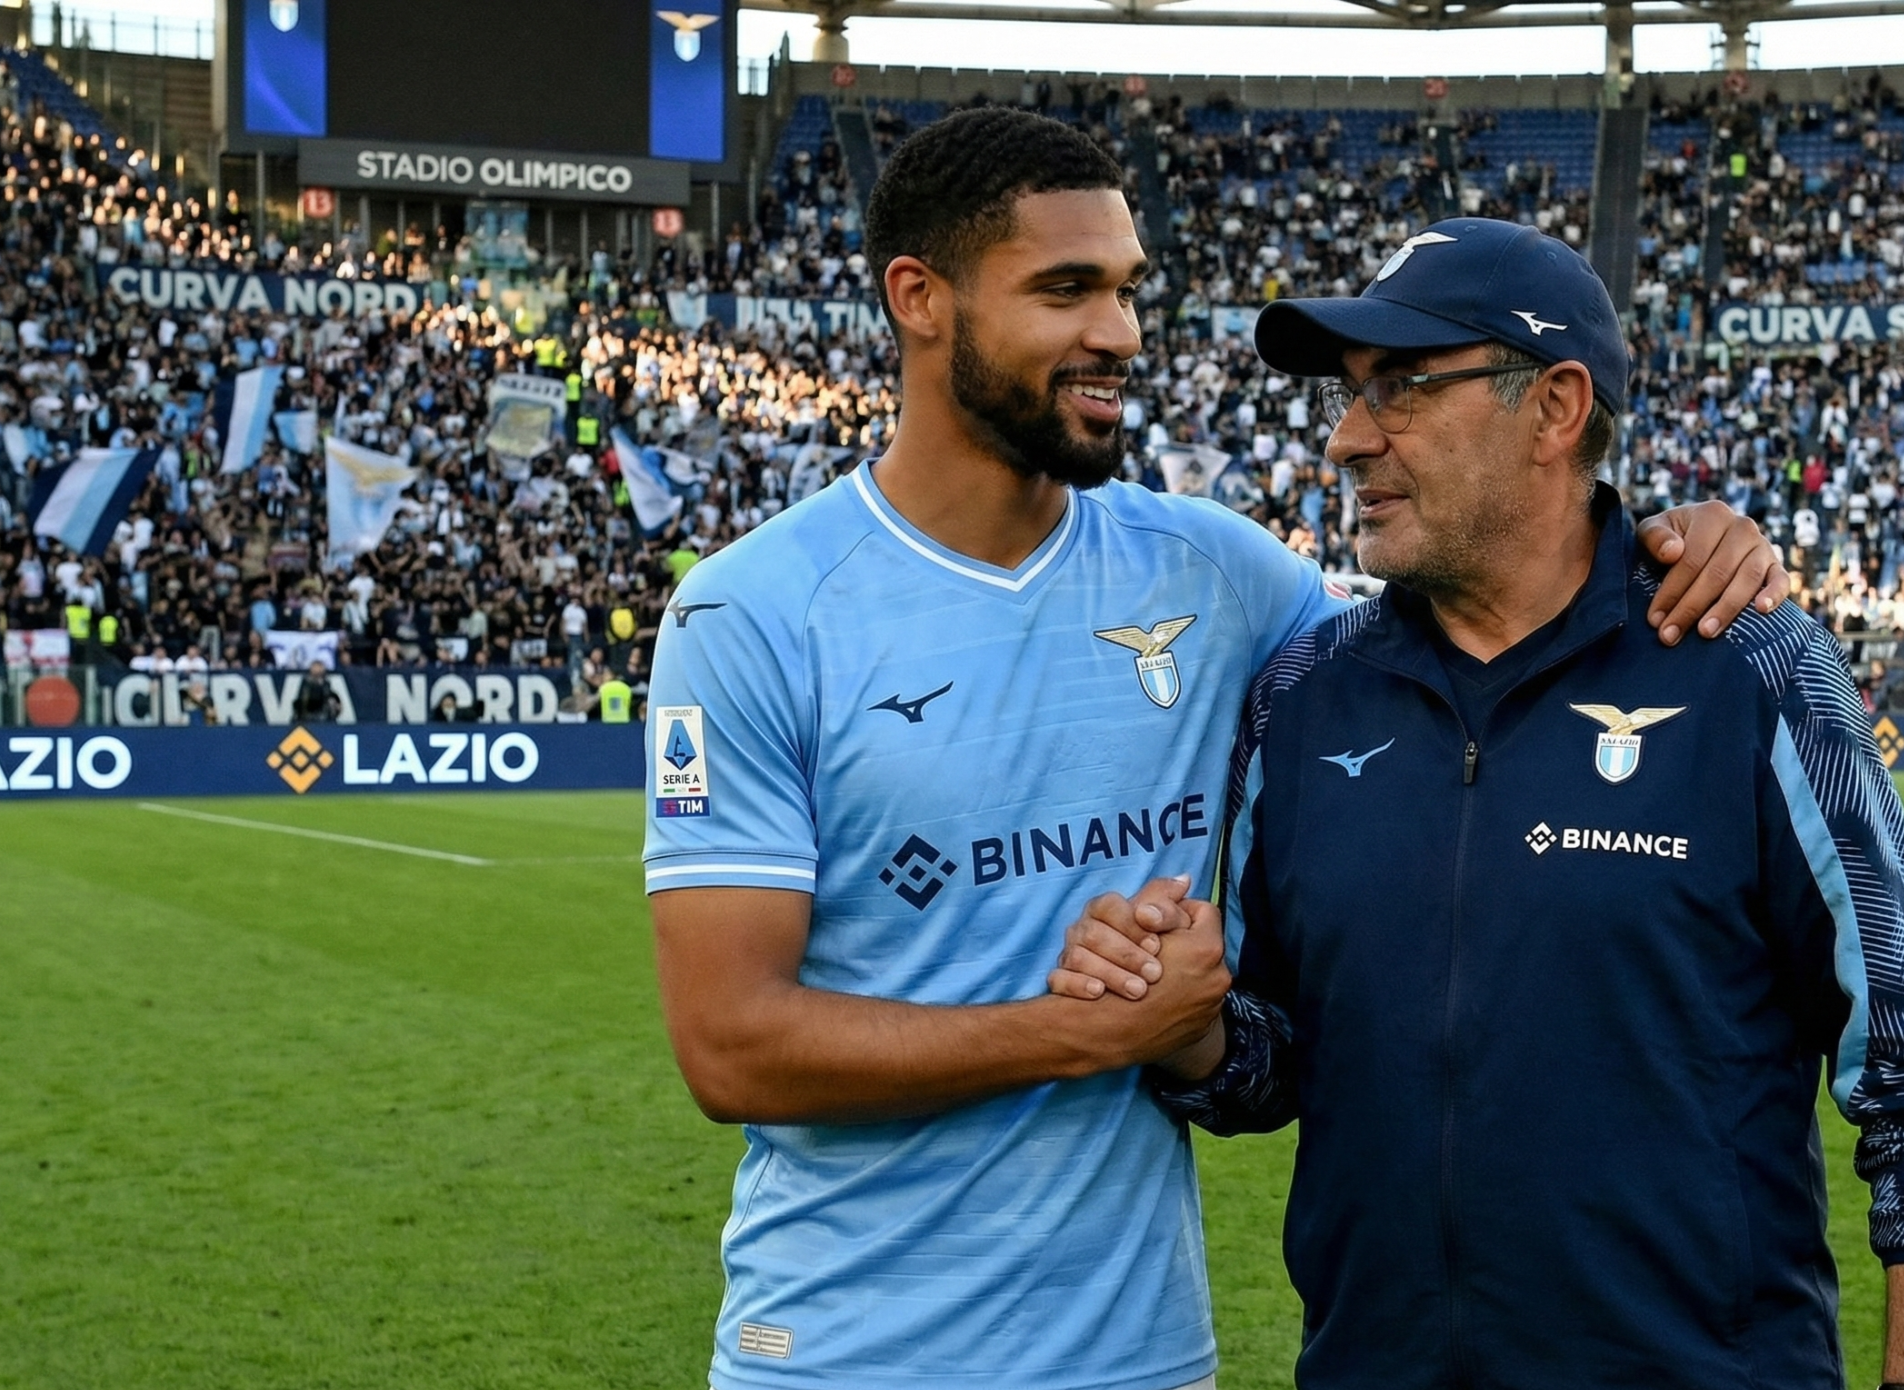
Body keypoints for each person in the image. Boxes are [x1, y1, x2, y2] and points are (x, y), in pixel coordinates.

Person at [641, 116, 1787, 1390]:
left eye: (1128, 290)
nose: (1120, 333)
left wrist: (1672, 535)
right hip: (845, 1353)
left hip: (1143, 1356)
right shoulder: (748, 615)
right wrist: (1077, 1034)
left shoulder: (1219, 576)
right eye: (1065, 290)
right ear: (920, 298)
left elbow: (1486, 610)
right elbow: (731, 1045)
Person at [1055, 218, 1904, 1390]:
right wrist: (1185, 1016)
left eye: (1400, 388)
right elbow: (1269, 1062)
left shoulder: (1745, 669)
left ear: (1555, 409)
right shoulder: (1300, 699)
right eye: (1349, 397)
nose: (1349, 440)